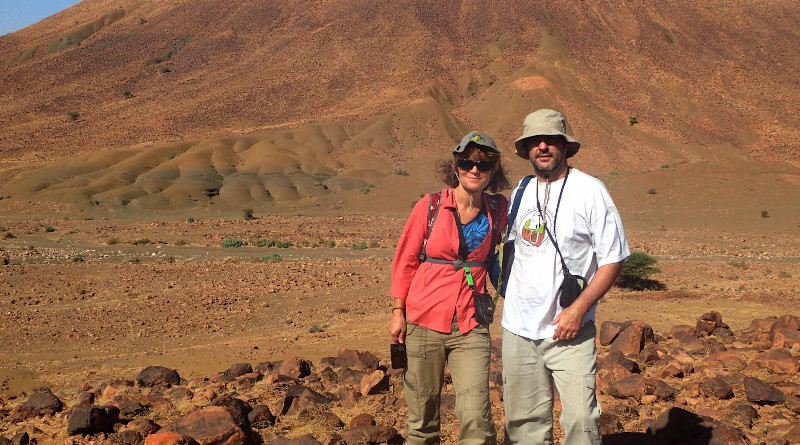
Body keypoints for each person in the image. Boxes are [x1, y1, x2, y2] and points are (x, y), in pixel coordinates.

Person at [501, 109, 630, 445]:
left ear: (564, 146)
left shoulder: (590, 190)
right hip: (518, 330)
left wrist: (579, 309)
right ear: (527, 148)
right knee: (524, 425)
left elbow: (613, 258)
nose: (542, 147)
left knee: (581, 422)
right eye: (535, 141)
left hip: (568, 330)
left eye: (550, 140)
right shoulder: (522, 191)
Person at [389, 130, 510, 445]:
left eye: (483, 165)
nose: (474, 170)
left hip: (470, 323)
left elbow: (503, 259)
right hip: (423, 319)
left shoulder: (498, 210)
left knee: (477, 417)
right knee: (423, 418)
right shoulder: (430, 207)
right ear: (456, 166)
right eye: (468, 163)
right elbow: (406, 261)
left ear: (493, 171)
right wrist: (397, 311)